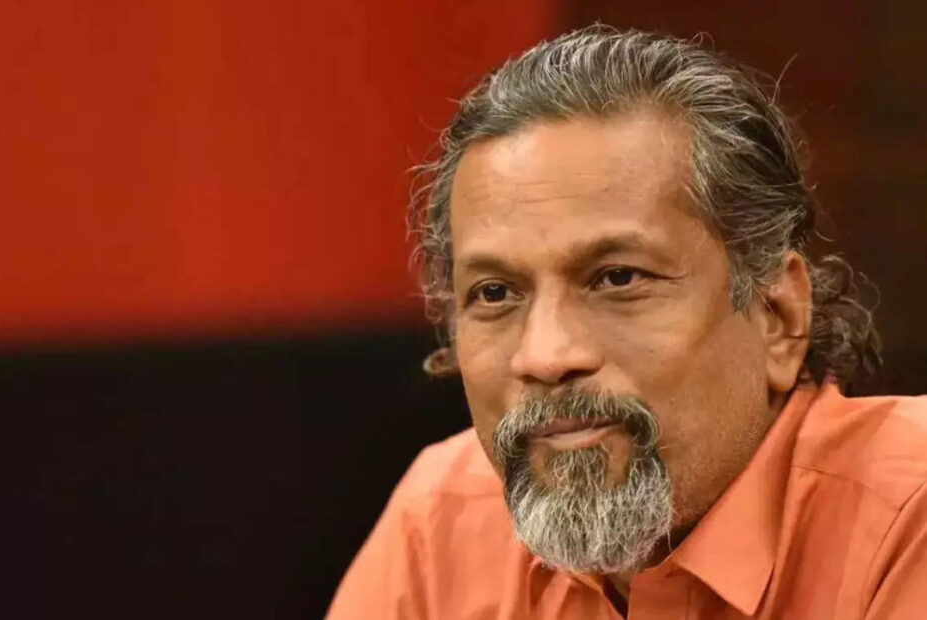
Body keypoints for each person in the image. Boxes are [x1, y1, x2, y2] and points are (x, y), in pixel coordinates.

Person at [326, 26, 927, 619]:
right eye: (495, 293)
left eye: (618, 278)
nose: (546, 355)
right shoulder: (441, 522)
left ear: (777, 315)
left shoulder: (907, 512)